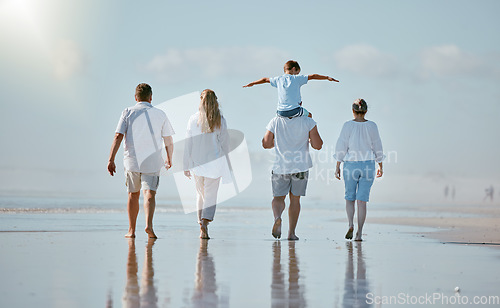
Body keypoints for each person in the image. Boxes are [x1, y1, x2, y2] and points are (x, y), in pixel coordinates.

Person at [107, 83, 175, 238]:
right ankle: (148, 226)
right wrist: (170, 158)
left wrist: (111, 159)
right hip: (152, 161)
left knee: (133, 194)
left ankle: (131, 230)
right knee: (150, 194)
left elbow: (118, 136)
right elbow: (168, 140)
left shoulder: (127, 112)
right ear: (151, 97)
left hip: (132, 161)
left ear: (136, 97)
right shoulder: (160, 114)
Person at [262, 112, 323, 240]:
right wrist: (308, 138)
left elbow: (266, 144)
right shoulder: (308, 121)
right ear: (299, 103)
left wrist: (278, 142)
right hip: (300, 166)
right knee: (295, 200)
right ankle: (291, 233)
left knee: (278, 198)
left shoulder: (275, 121)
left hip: (280, 167)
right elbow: (317, 145)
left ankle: (277, 218)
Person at [334, 99, 384, 241]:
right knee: (362, 201)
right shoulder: (372, 126)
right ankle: (359, 233)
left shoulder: (347, 125)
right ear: (366, 111)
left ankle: (350, 224)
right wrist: (380, 164)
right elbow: (377, 146)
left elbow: (341, 145)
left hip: (350, 164)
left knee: (350, 198)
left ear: (353, 111)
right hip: (368, 164)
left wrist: (337, 165)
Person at [184, 89, 230, 239]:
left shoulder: (193, 119)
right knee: (210, 195)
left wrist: (186, 164)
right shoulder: (220, 120)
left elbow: (188, 144)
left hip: (197, 164)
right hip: (215, 164)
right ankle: (205, 222)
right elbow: (225, 144)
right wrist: (227, 165)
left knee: (200, 195)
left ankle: (200, 224)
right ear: (215, 100)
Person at [243, 60, 339, 118]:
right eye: (297, 72)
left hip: (280, 112)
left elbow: (264, 79)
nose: (297, 74)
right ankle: (309, 138)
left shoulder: (278, 79)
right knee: (309, 115)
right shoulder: (297, 78)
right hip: (295, 110)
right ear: (293, 69)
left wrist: (253, 83)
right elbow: (313, 76)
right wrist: (327, 77)